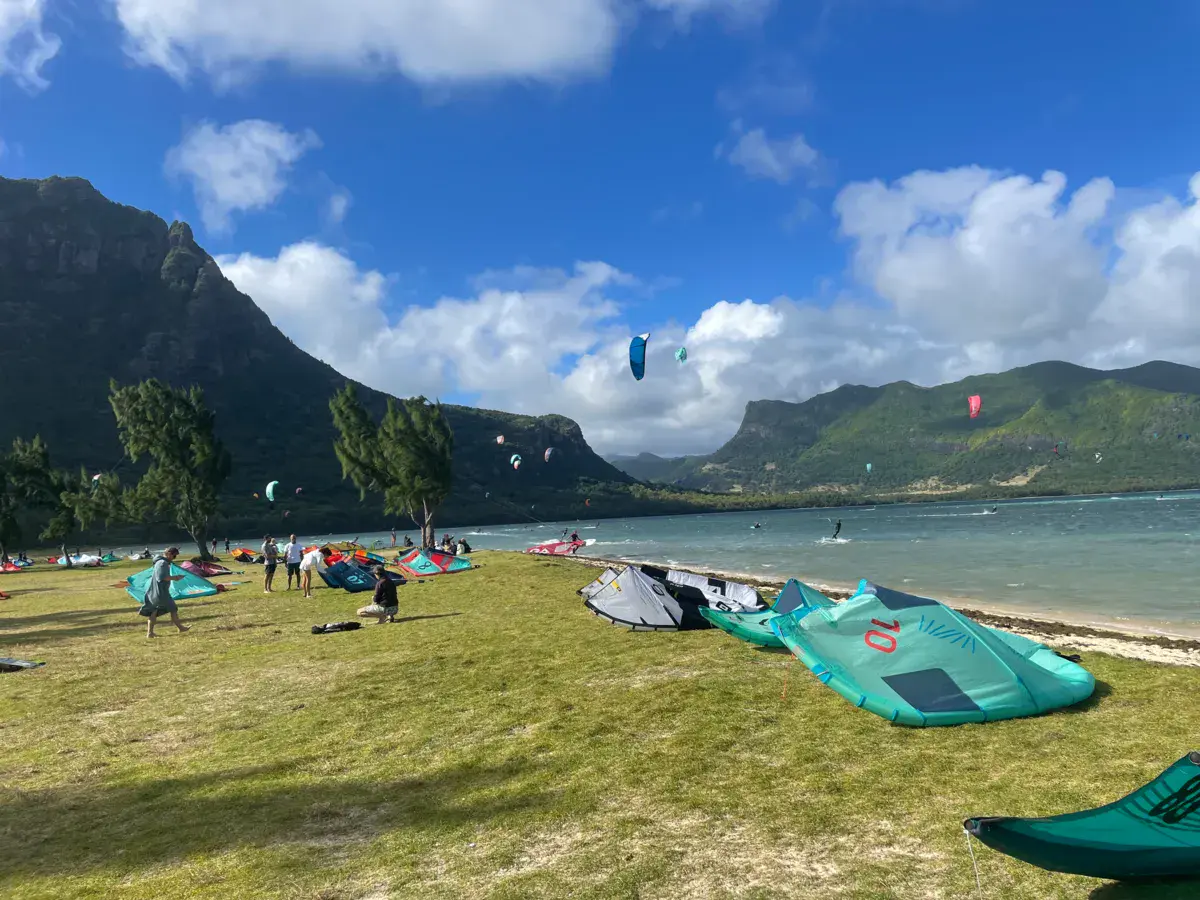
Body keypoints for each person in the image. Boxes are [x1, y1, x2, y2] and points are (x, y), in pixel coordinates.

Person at [140, 547, 191, 638]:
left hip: (159, 591)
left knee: (155, 611)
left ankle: (150, 633)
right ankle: (180, 628)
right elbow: (162, 577)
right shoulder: (162, 563)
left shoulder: (161, 562)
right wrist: (176, 578)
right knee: (172, 608)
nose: (174, 558)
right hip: (160, 592)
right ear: (168, 554)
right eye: (174, 555)